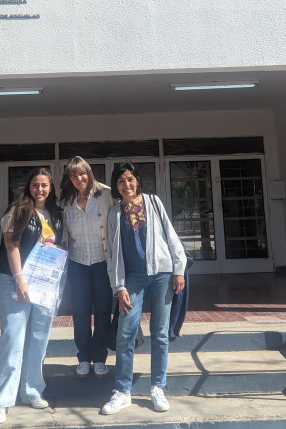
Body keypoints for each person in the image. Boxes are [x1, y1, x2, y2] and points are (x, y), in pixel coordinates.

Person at [100, 161, 186, 416]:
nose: (126, 185)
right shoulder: (114, 213)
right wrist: (119, 286)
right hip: (133, 278)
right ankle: (122, 391)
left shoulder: (154, 202)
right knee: (125, 333)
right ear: (115, 186)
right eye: (120, 181)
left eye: (130, 179)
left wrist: (178, 269)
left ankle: (158, 386)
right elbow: (113, 254)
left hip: (161, 273)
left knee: (159, 332)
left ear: (137, 180)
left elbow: (170, 235)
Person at [0, 167, 64, 424]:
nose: (40, 189)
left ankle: (31, 390)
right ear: (28, 187)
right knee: (12, 340)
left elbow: (60, 249)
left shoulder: (56, 214)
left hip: (46, 285)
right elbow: (12, 246)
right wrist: (20, 281)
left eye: (44, 185)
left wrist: (57, 289)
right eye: (35, 184)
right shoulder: (18, 210)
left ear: (50, 188)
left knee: (39, 339)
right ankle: (2, 402)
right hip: (15, 282)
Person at [59, 156, 116, 379]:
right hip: (77, 264)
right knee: (80, 313)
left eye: (81, 173)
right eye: (73, 175)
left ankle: (100, 357)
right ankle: (83, 357)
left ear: (89, 173)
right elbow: (63, 234)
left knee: (103, 312)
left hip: (102, 263)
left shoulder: (106, 195)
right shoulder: (67, 202)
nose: (78, 178)